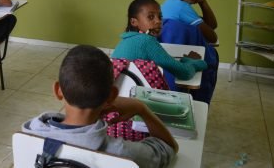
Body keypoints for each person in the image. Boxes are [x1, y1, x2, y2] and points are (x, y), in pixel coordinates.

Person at [22, 45, 177, 168]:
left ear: (58, 90)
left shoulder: (30, 133)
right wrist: (140, 108)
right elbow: (169, 147)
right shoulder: (121, 153)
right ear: (112, 96)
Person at [111, 0, 207, 81]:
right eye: (151, 17)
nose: (158, 21)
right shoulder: (146, 41)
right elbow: (184, 73)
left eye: (160, 17)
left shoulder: (124, 41)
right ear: (134, 22)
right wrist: (196, 63)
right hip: (136, 99)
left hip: (120, 97)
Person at [160, 0, 219, 103]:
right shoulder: (182, 8)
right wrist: (204, 3)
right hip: (185, 56)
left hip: (171, 57)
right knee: (213, 53)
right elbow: (213, 37)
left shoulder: (171, 3)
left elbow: (211, 25)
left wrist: (202, 1)